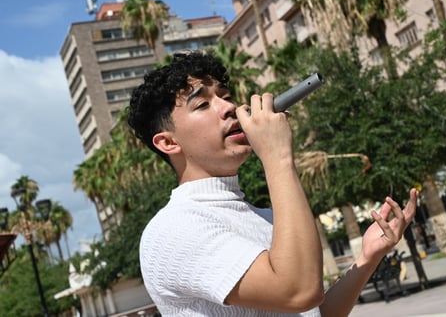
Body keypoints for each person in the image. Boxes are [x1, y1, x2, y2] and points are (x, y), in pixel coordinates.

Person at [127, 50, 418, 316]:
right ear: (167, 142)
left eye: (225, 96)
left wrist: (366, 260)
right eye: (203, 104)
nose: (229, 107)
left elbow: (311, 309)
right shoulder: (173, 230)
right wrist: (277, 156)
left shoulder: (265, 217)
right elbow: (297, 292)